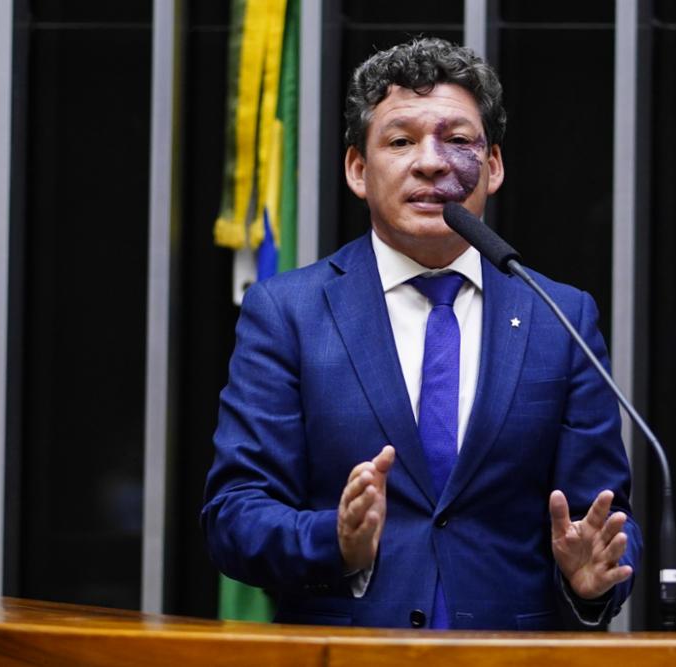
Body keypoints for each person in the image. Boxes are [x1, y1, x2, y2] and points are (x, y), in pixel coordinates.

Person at [202, 37, 642, 631]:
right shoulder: (287, 312)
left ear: (493, 167)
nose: (431, 162)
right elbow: (234, 516)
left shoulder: (558, 316)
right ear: (359, 169)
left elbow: (605, 521)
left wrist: (590, 582)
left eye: (458, 141)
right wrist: (336, 540)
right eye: (401, 140)